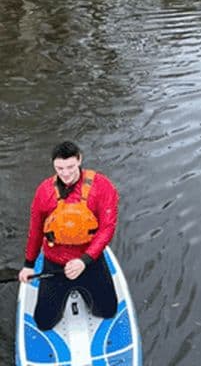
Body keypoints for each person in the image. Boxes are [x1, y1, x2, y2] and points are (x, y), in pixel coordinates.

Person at [18, 141, 119, 330]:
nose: (65, 174)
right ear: (53, 165)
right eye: (60, 168)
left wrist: (84, 261)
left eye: (71, 167)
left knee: (108, 311)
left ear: (79, 159)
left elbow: (107, 228)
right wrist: (29, 265)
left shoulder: (102, 186)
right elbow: (36, 229)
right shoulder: (44, 191)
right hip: (55, 263)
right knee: (44, 323)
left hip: (89, 261)